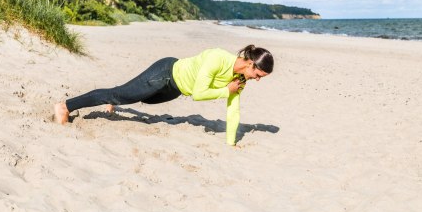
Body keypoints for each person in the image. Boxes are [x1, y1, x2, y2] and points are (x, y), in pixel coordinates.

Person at [54, 44, 273, 146]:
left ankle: (116, 101)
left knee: (142, 98)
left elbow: (233, 108)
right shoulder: (218, 58)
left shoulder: (241, 80)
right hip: (165, 73)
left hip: (175, 90)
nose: (257, 78)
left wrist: (230, 143)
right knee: (119, 95)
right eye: (258, 73)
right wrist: (226, 90)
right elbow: (198, 94)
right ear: (249, 62)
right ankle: (66, 106)